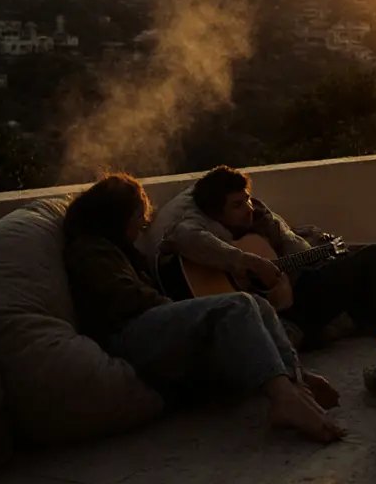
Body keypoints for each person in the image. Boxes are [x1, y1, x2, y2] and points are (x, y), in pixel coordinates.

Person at [62, 174, 345, 443]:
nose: (141, 227)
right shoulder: (90, 249)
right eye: (138, 218)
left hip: (146, 324)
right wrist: (181, 309)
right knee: (238, 304)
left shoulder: (120, 248)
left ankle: (296, 380)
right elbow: (124, 298)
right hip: (128, 333)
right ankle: (284, 400)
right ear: (116, 216)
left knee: (257, 303)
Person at [144, 165, 376, 349]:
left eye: (246, 199)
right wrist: (246, 262)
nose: (247, 208)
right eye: (236, 205)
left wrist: (297, 259)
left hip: (303, 285)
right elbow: (183, 238)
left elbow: (293, 250)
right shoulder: (198, 225)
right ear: (217, 210)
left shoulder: (257, 222)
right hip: (294, 307)